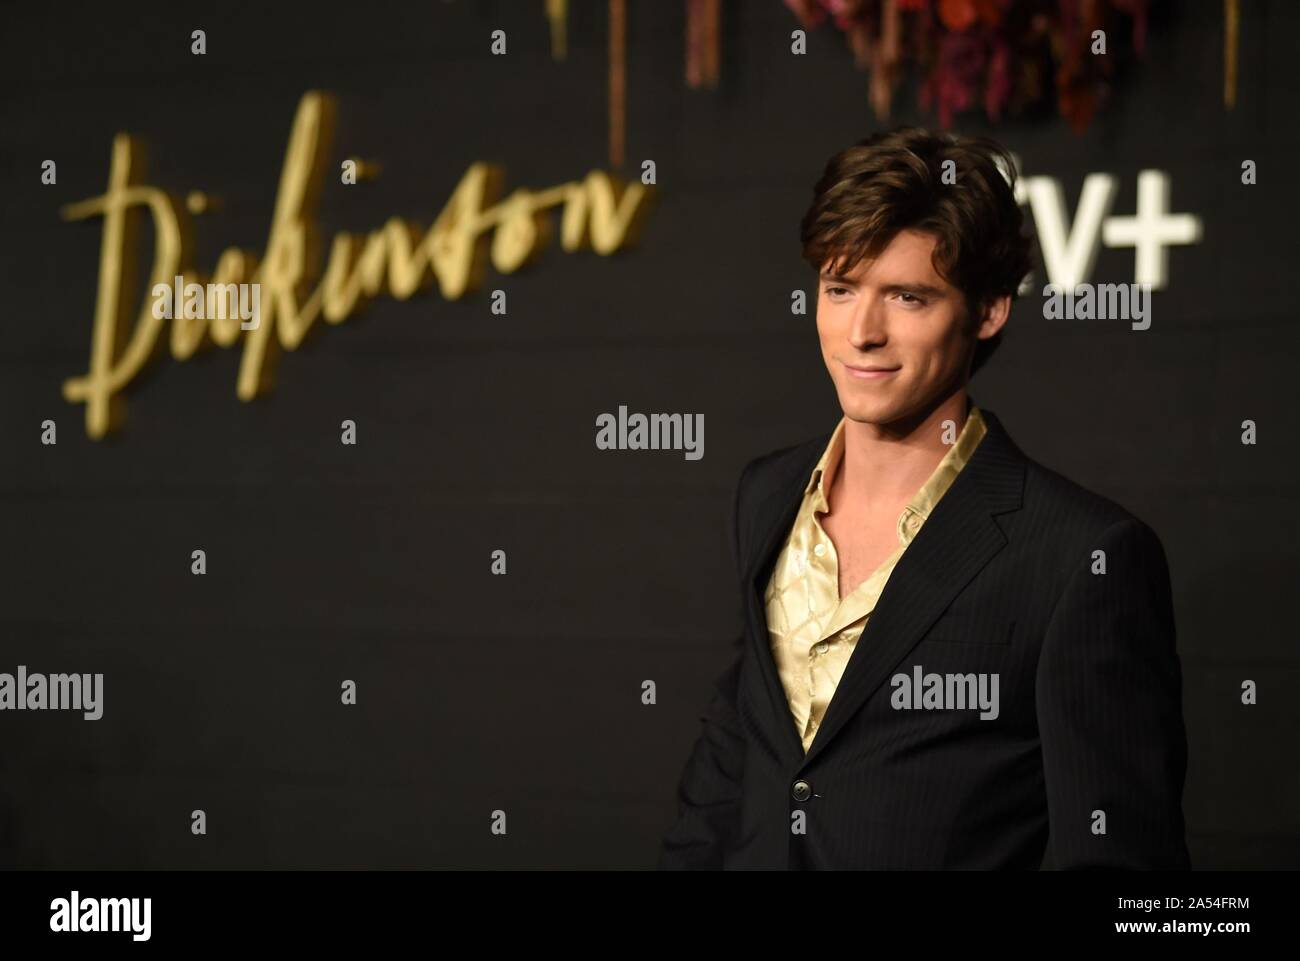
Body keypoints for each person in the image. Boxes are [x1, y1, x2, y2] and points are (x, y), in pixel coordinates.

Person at [658, 127, 1190, 870]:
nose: (861, 332)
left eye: (907, 297)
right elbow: (736, 762)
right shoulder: (767, 494)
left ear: (989, 309)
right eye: (840, 288)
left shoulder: (1082, 558)